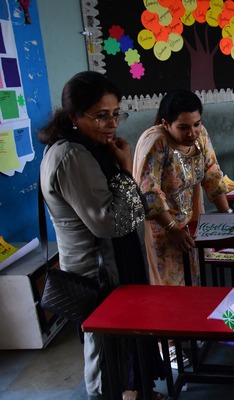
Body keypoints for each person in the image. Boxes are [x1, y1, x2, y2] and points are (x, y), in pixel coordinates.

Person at [37, 71, 165, 400]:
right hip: (96, 269)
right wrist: (125, 168)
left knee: (124, 336)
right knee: (105, 344)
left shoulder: (90, 148)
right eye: (100, 116)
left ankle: (134, 391)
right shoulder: (72, 156)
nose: (111, 123)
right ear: (73, 117)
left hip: (111, 262)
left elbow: (130, 210)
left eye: (115, 113)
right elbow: (110, 222)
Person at [133, 89, 231, 287]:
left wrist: (228, 217)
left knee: (194, 278)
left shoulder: (200, 136)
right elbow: (148, 191)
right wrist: (172, 229)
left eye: (196, 124)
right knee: (171, 286)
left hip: (192, 221)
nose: (192, 132)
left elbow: (211, 173)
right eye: (183, 127)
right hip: (164, 226)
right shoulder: (157, 143)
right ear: (166, 124)